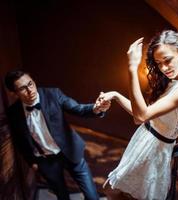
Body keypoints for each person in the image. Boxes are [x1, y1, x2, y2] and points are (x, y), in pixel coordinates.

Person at [101, 30, 178, 200]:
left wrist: (132, 67)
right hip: (146, 143)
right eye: (158, 63)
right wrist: (116, 95)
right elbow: (146, 117)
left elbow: (141, 116)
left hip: (152, 153)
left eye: (167, 60)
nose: (163, 68)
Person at [4, 70, 110, 200]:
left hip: (71, 152)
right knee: (62, 196)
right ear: (14, 93)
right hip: (46, 161)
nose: (30, 90)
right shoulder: (13, 113)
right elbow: (20, 140)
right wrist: (32, 162)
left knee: (92, 197)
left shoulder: (53, 94)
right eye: (22, 88)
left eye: (30, 84)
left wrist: (96, 108)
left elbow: (78, 109)